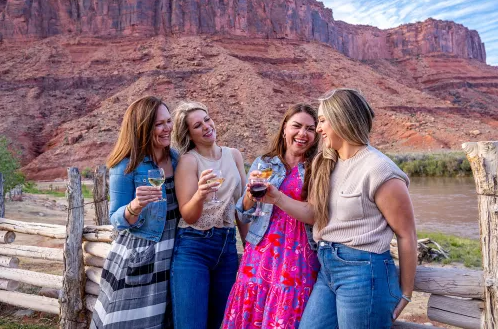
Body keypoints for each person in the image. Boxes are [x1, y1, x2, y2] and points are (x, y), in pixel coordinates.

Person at [260, 88, 417, 329]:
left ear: (342, 119)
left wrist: (406, 291)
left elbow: (406, 235)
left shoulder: (380, 170)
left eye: (322, 121)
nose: (318, 129)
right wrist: (277, 198)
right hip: (328, 268)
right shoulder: (329, 163)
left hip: (364, 273)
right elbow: (315, 214)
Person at [222, 104, 321, 329]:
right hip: (262, 251)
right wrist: (249, 193)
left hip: (299, 253)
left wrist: (278, 198)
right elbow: (244, 213)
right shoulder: (264, 162)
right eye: (297, 126)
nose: (302, 134)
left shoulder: (318, 167)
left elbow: (317, 214)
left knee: (287, 313)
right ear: (285, 127)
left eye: (310, 129)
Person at [91, 96, 179, 329]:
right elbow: (116, 220)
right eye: (159, 124)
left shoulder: (177, 160)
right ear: (142, 127)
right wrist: (135, 206)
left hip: (174, 251)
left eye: (169, 121)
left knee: (166, 320)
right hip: (140, 253)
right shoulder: (126, 165)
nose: (167, 128)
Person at [170, 101, 248, 329]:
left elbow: (242, 208)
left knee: (222, 323)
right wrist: (200, 195)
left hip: (227, 247)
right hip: (194, 248)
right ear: (189, 134)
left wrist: (249, 249)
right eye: (197, 125)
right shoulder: (188, 161)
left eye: (207, 119)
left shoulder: (234, 155)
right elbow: (189, 214)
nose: (206, 126)